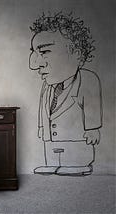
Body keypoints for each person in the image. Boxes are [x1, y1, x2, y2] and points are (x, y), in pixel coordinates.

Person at [28, 12, 102, 176]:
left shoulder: (88, 79)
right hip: (51, 142)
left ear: (76, 54)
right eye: (34, 53)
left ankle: (79, 165)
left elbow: (92, 105)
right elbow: (43, 108)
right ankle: (53, 165)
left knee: (75, 158)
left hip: (76, 141)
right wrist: (41, 127)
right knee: (53, 158)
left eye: (45, 51)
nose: (34, 64)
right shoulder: (47, 86)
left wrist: (92, 128)